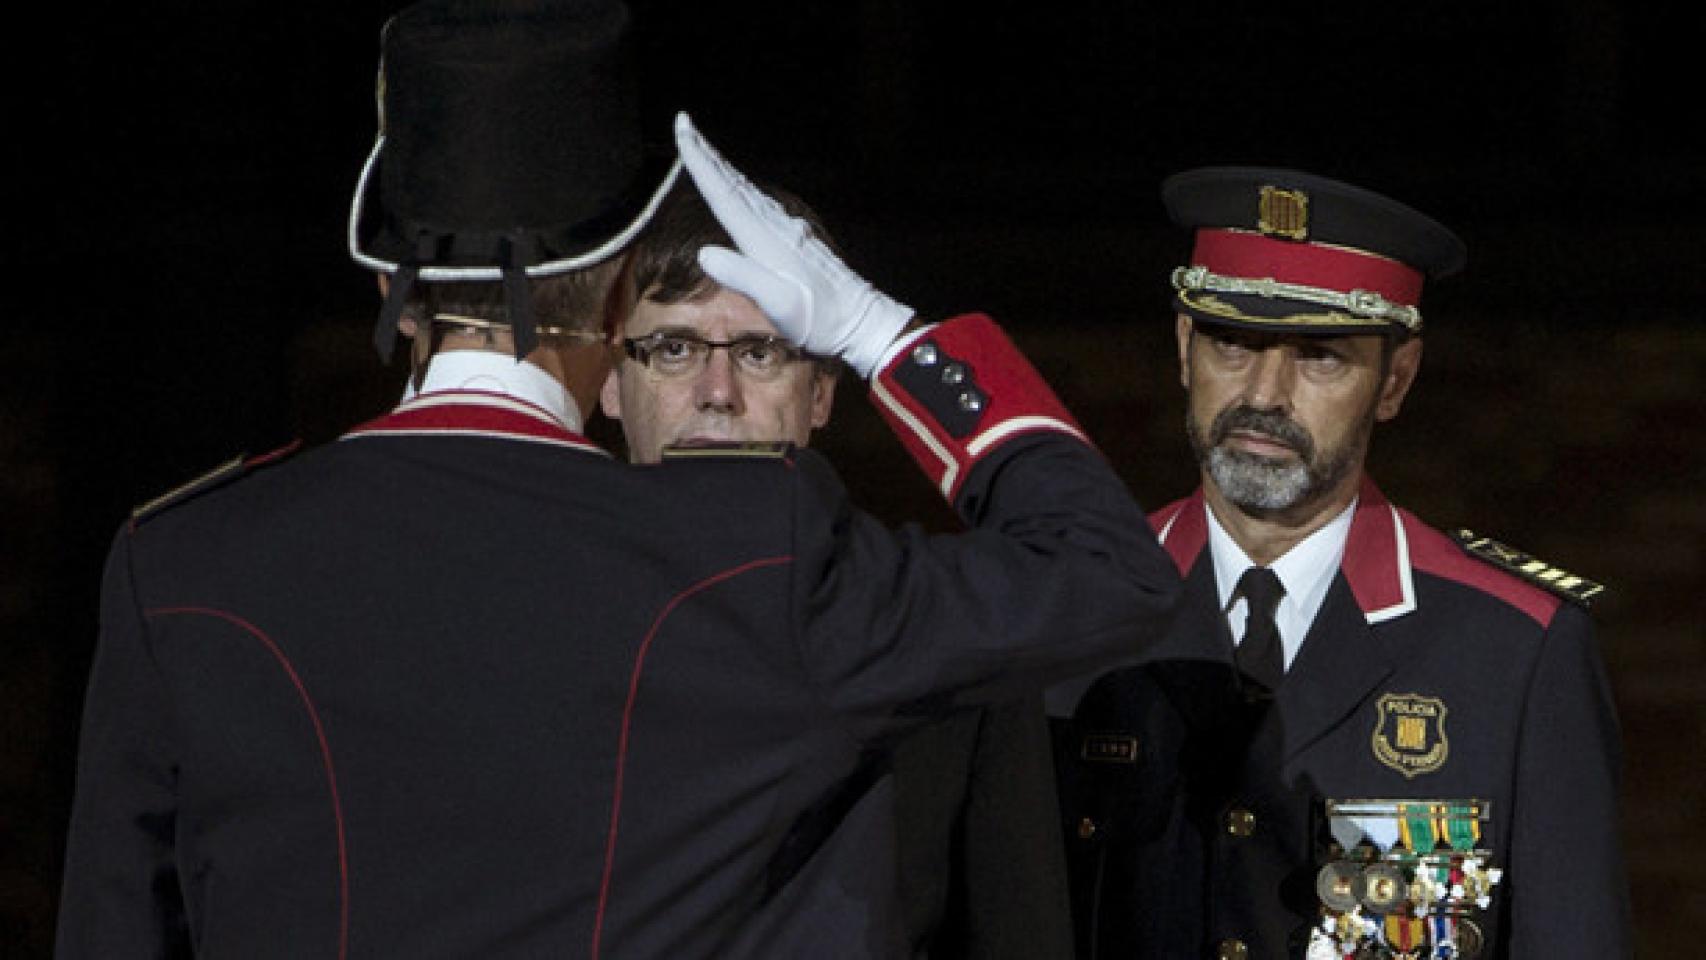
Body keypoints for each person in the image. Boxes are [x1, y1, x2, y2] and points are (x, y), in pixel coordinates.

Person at [53, 1, 1179, 957]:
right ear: (613, 295)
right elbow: (1105, 571)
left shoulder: (180, 562)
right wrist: (879, 332)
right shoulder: (747, 556)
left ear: (391, 281)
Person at [1050, 167, 1630, 959]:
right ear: (1185, 347)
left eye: (1319, 356)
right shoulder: (1063, 612)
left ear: (1394, 380)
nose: (1265, 393)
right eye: (1233, 342)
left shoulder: (1516, 648)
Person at [601, 180, 1074, 958]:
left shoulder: (947, 635)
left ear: (821, 390)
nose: (717, 395)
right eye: (675, 349)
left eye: (760, 352)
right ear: (611, 379)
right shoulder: (529, 612)